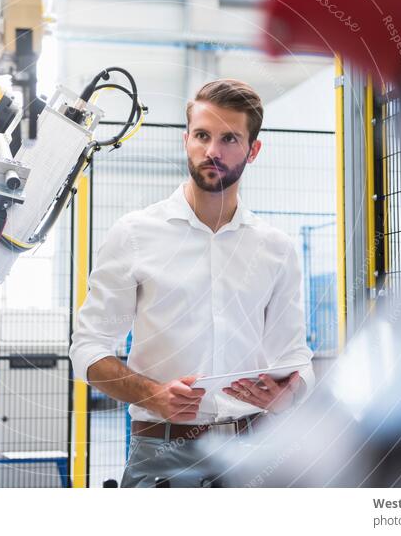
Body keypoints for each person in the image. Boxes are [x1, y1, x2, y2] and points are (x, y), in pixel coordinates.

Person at [69, 79, 315, 487]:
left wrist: (290, 394)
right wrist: (153, 395)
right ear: (186, 140)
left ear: (253, 150)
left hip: (255, 455)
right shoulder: (134, 234)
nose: (212, 151)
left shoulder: (276, 248)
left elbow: (294, 354)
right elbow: (88, 348)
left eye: (229, 139)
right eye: (202, 136)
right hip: (162, 459)